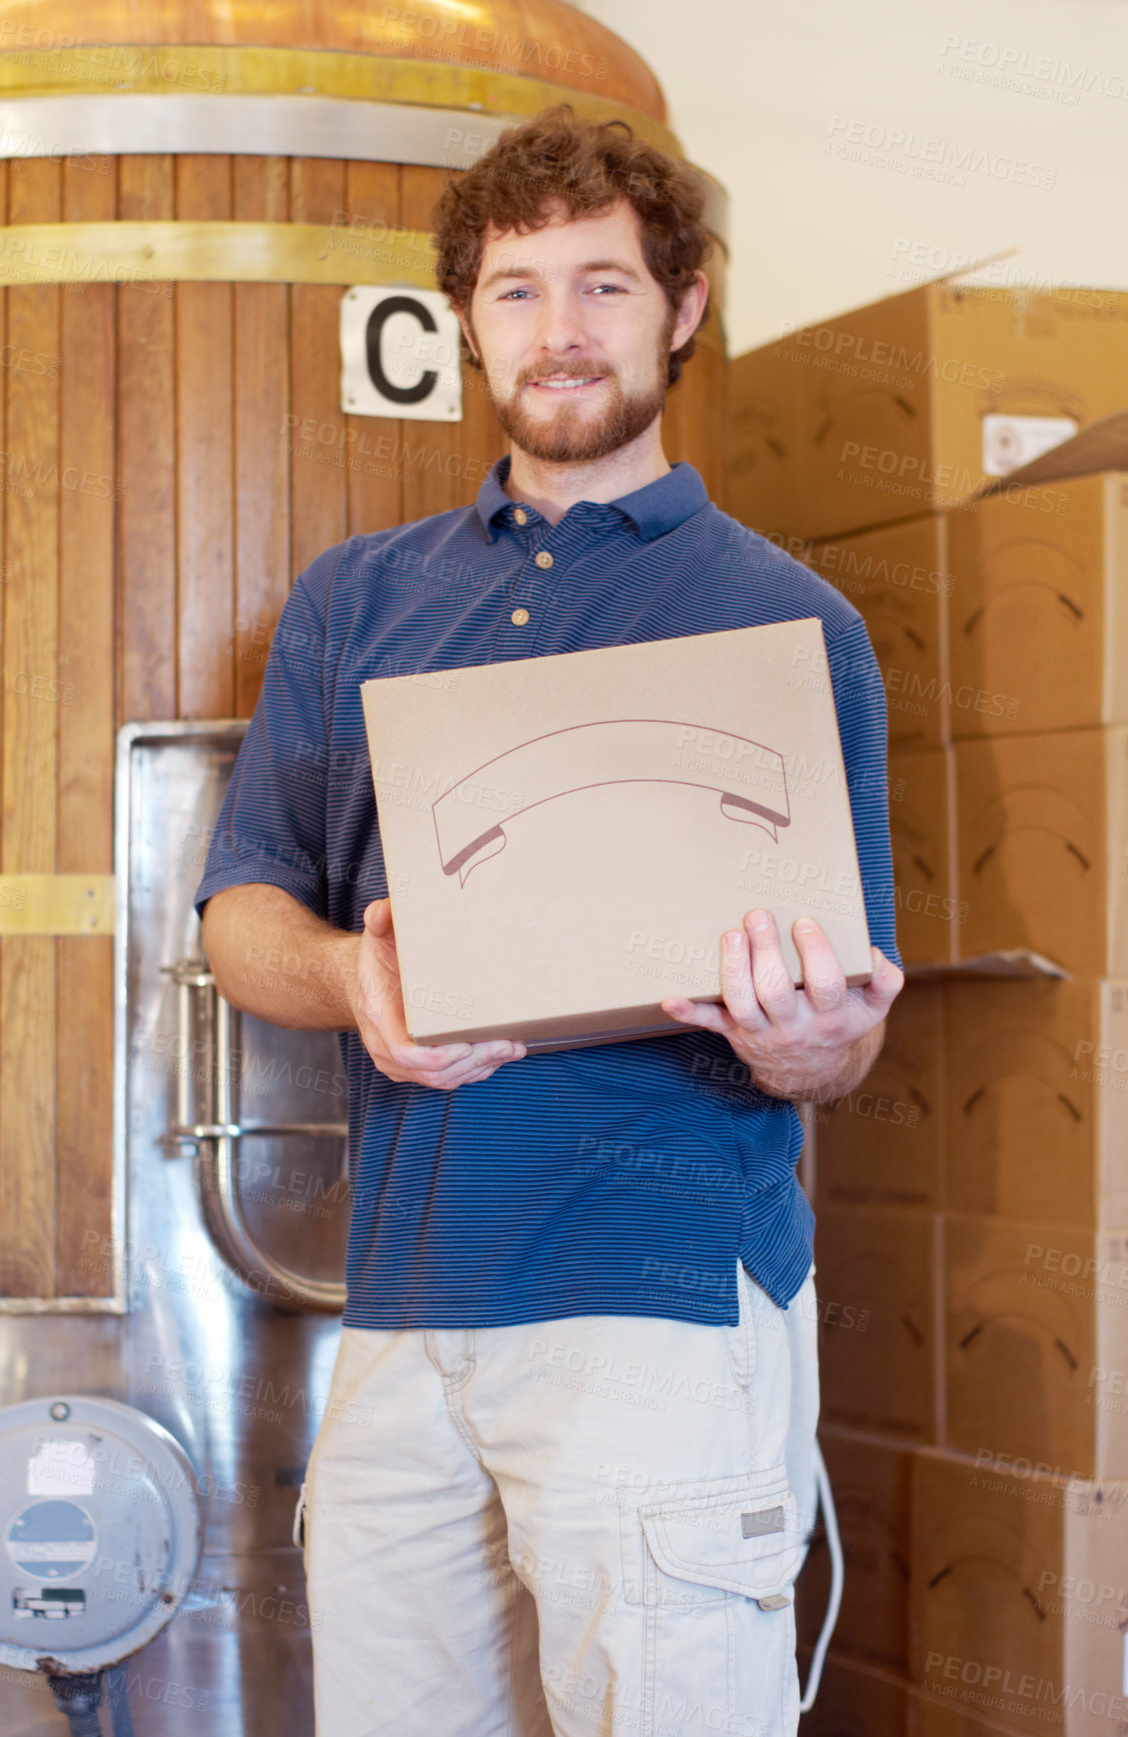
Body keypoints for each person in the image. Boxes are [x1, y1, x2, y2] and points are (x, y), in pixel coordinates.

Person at [196, 104, 903, 1737]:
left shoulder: (791, 621)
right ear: (466, 321)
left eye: (602, 285)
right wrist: (347, 973)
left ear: (682, 306)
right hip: (403, 1310)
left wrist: (816, 1041)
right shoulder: (355, 601)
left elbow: (847, 1023)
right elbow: (243, 919)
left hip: (653, 1307)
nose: (559, 331)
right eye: (517, 291)